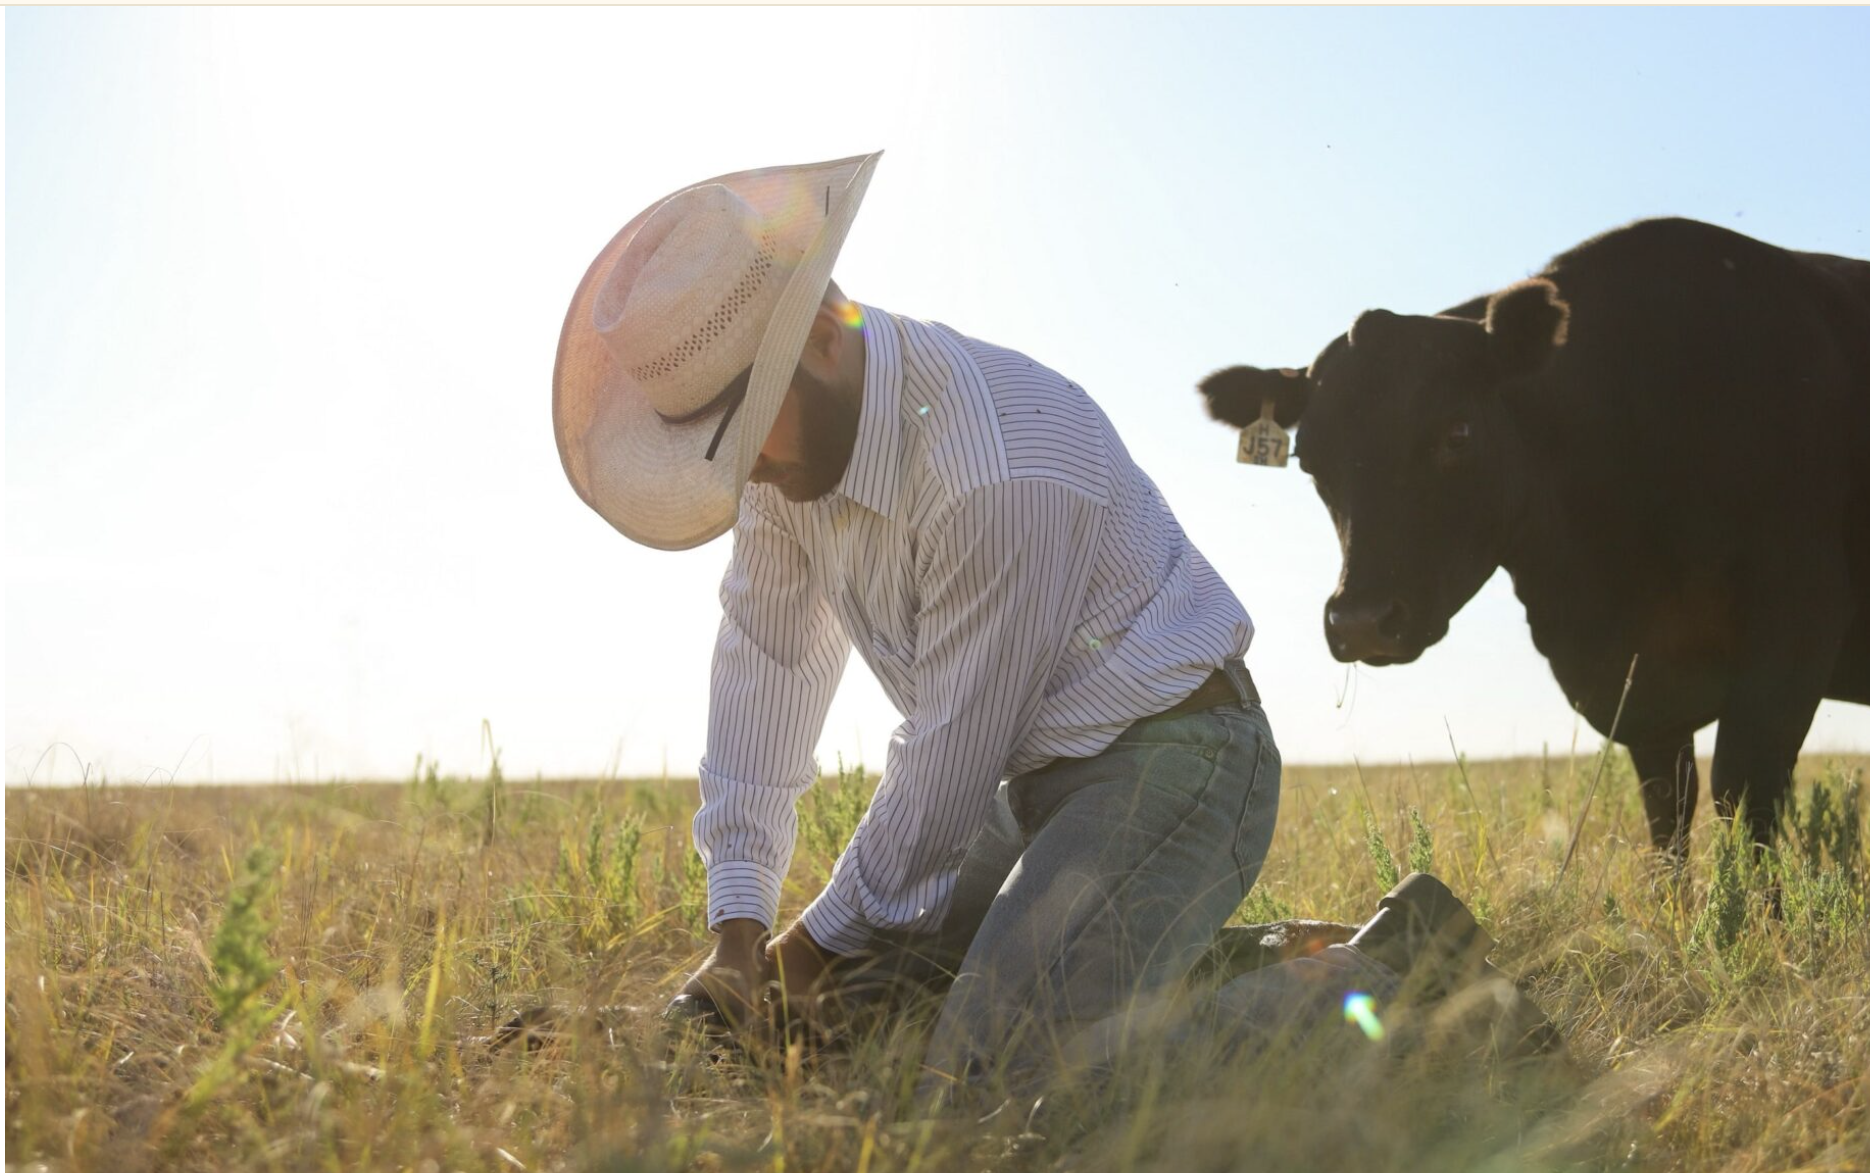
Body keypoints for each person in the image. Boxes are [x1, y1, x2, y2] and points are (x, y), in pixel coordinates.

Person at [549, 152, 1495, 1095]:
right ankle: (1301, 953)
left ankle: (1403, 981)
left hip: (1182, 756)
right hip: (1037, 781)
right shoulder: (776, 470)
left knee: (999, 1078)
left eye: (750, 424)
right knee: (871, 1006)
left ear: (826, 339)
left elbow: (951, 753)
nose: (743, 469)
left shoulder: (998, 466)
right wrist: (739, 931)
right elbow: (765, 665)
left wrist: (797, 958)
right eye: (719, 442)